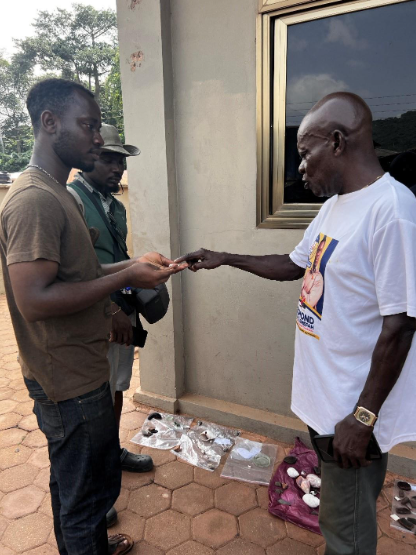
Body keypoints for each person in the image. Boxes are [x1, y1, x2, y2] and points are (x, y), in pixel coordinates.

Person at [176, 92, 416, 555]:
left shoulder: (393, 211)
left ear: (339, 142)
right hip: (325, 403)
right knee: (338, 517)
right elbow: (294, 265)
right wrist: (225, 257)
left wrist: (362, 418)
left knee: (348, 534)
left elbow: (402, 324)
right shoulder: (336, 206)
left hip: (352, 413)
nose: (301, 168)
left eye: (306, 154)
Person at [0, 78, 185, 555]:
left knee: (76, 490)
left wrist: (131, 266)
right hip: (66, 378)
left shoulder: (56, 192)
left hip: (77, 368)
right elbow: (35, 299)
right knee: (86, 501)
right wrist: (124, 283)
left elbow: (82, 271)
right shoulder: (35, 199)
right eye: (88, 125)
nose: (98, 138)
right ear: (49, 122)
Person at [68, 124, 152, 528]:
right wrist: (110, 311)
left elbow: (114, 257)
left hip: (120, 309)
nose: (117, 167)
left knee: (118, 386)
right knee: (94, 397)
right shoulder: (73, 200)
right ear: (90, 158)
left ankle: (112, 451)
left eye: (121, 160)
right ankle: (94, 491)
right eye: (108, 159)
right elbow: (76, 273)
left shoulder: (113, 204)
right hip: (96, 316)